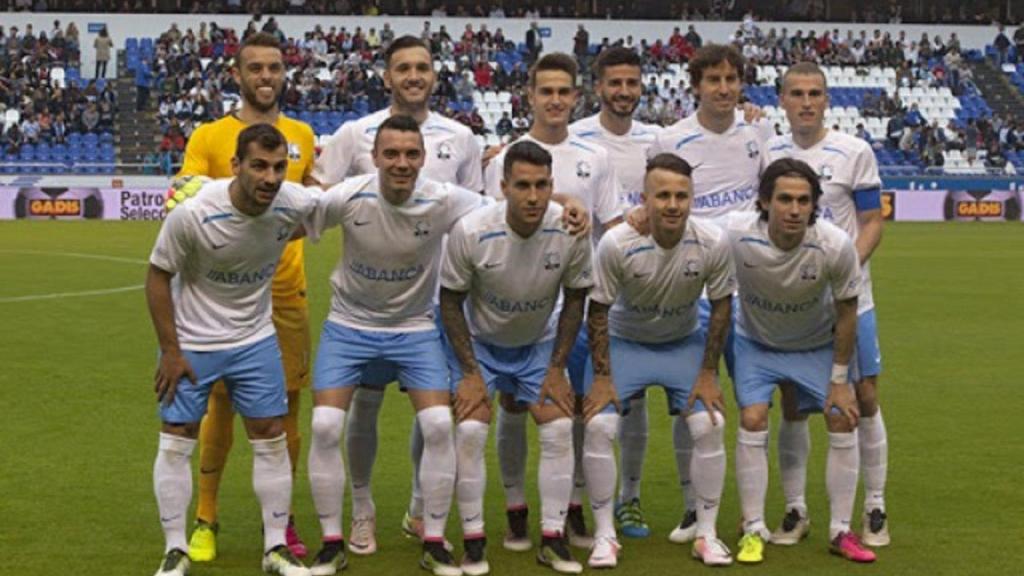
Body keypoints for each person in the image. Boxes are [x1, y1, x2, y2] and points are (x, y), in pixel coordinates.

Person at [312, 35, 484, 554]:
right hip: (361, 307)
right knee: (362, 408)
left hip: (432, 305)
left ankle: (418, 507)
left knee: (433, 417)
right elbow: (318, 194)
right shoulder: (354, 132)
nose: (413, 76)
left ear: (434, 75)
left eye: (423, 67)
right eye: (403, 68)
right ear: (387, 76)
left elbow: (479, 213)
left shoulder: (462, 137)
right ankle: (361, 508)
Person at [146, 123, 317, 576]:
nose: (270, 177)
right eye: (259, 166)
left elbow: (342, 202)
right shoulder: (193, 214)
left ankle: (275, 548)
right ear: (236, 165)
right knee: (178, 437)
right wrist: (170, 350)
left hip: (255, 341)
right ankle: (175, 549)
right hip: (195, 342)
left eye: (279, 167)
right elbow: (158, 275)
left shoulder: (289, 204)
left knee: (270, 434)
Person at [175, 31, 318, 563]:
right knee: (220, 407)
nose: (265, 77)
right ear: (237, 75)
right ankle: (206, 517)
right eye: (254, 68)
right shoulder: (211, 136)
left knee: (285, 413)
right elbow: (185, 193)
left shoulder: (301, 133)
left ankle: (281, 522)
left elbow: (309, 197)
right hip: (220, 302)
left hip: (285, 294)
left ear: (285, 73)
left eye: (274, 68)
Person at [484, 52, 624, 552]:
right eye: (547, 91)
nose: (556, 100)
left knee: (576, 408)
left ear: (576, 96)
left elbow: (613, 225)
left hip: (578, 306)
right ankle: (516, 505)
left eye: (565, 92)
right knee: (514, 406)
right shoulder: (505, 156)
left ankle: (571, 504)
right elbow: (492, 220)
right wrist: (563, 200)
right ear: (530, 96)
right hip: (517, 307)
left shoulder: (597, 157)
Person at [441, 140, 593, 574]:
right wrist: (470, 372)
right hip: (481, 345)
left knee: (560, 426)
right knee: (470, 431)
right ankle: (473, 541)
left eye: (542, 185)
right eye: (522, 185)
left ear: (552, 187)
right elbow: (450, 301)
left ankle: (551, 537)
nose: (532, 196)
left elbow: (577, 298)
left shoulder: (568, 230)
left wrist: (557, 368)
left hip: (537, 344)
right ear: (503, 186)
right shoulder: (471, 231)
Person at [645, 43, 773, 544]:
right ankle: (694, 507)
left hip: (747, 289)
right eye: (713, 79)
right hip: (691, 288)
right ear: (695, 85)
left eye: (731, 79)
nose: (723, 88)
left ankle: (751, 514)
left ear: (741, 84)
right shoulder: (671, 138)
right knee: (693, 402)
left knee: (751, 402)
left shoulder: (758, 131)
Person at [585, 153, 736, 566]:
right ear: (644, 199)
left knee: (710, 423)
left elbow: (721, 306)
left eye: (681, 196)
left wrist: (708, 373)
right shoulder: (617, 243)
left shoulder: (712, 241)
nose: (672, 204)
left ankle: (706, 534)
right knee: (599, 426)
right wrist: (602, 377)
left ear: (692, 198)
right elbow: (597, 310)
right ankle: (604, 536)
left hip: (682, 343)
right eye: (663, 195)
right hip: (624, 342)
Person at [726, 158, 875, 565]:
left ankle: (841, 531)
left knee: (843, 416)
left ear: (814, 206)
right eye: (785, 199)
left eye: (804, 201)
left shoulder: (834, 245)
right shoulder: (736, 232)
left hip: (813, 345)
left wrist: (840, 379)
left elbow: (847, 310)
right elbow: (688, 229)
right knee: (753, 418)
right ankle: (753, 529)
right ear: (764, 201)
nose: (794, 209)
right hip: (756, 344)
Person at [766, 61, 890, 549]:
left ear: (826, 99)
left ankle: (875, 504)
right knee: (794, 404)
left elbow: (872, 220)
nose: (806, 102)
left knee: (864, 397)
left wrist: (844, 270)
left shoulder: (853, 150)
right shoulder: (770, 150)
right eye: (796, 93)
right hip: (793, 304)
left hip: (850, 301)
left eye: (815, 93)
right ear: (782, 100)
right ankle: (796, 509)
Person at [568, 46, 664, 540]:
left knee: (635, 400)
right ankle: (578, 496)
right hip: (584, 288)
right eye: (615, 83)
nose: (623, 91)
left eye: (631, 83)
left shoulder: (658, 139)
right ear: (598, 87)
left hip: (642, 289)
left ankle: (629, 497)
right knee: (585, 399)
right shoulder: (578, 136)